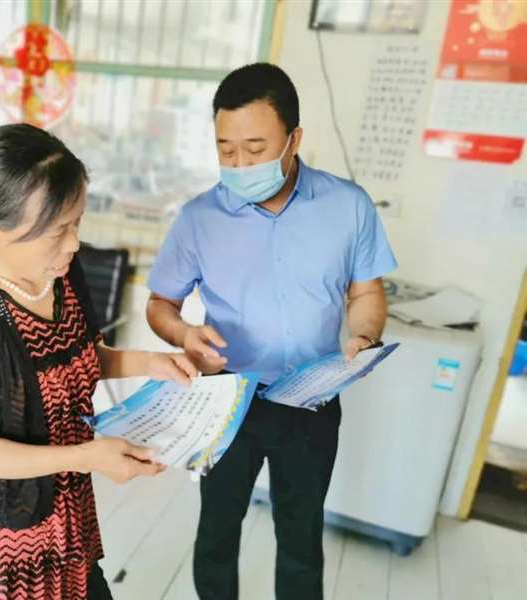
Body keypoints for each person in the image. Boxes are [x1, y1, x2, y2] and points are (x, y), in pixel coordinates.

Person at [0, 123, 197, 600]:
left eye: (77, 223)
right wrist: (88, 455)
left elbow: (71, 359)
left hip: (67, 517)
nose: (74, 243)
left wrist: (149, 361)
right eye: (58, 230)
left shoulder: (59, 271)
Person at [145, 62, 397, 600]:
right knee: (217, 529)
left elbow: (366, 293)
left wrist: (363, 336)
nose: (239, 164)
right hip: (227, 398)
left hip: (312, 397)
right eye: (226, 150)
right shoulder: (198, 219)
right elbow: (161, 304)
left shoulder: (348, 206)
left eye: (255, 149)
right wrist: (183, 334)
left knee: (301, 534)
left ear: (293, 139)